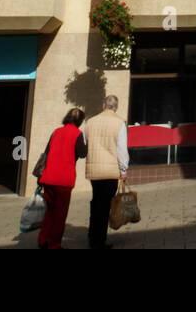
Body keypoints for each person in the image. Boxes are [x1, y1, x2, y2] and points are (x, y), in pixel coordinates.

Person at [35, 108, 86, 250]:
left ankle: (43, 239)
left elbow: (46, 153)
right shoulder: (77, 134)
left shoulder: (56, 132)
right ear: (80, 121)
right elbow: (82, 153)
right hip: (63, 179)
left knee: (49, 211)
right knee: (60, 214)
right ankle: (54, 244)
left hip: (48, 177)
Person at [83, 94, 129, 249]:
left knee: (96, 202)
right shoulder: (119, 123)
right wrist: (124, 169)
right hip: (110, 171)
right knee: (104, 207)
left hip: (94, 171)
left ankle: (92, 235)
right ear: (116, 107)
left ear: (104, 105)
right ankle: (98, 241)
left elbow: (85, 143)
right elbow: (122, 149)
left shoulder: (90, 122)